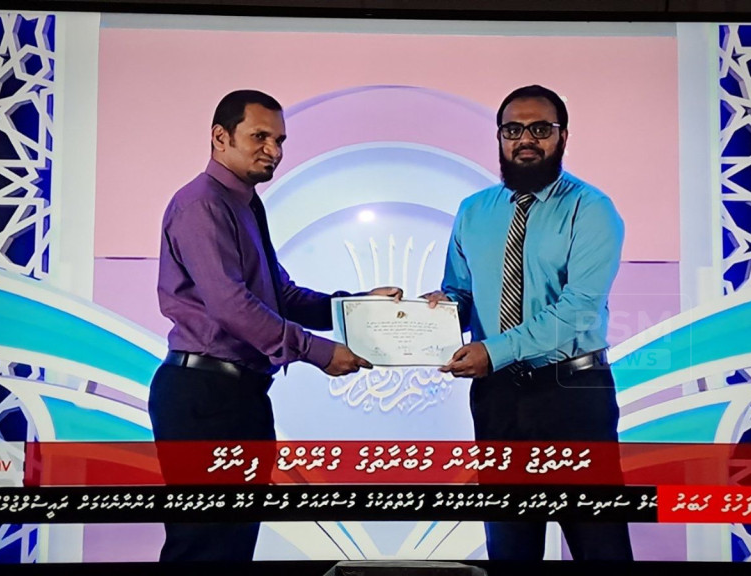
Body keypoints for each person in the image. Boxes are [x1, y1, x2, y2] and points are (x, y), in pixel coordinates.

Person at [149, 89, 402, 562]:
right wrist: (320, 352)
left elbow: (280, 295)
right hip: (204, 398)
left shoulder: (244, 204)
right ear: (220, 137)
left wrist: (357, 308)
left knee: (232, 546)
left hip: (238, 397)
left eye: (280, 140)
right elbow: (231, 306)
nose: (274, 150)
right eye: (260, 137)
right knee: (202, 547)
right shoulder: (201, 204)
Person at [422, 85, 632, 560]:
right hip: (498, 398)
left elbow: (578, 308)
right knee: (510, 550)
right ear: (500, 137)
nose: (525, 140)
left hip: (572, 395)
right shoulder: (474, 211)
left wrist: (493, 351)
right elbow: (462, 294)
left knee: (600, 548)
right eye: (513, 130)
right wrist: (432, 314)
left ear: (563, 136)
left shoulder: (591, 209)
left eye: (540, 129)